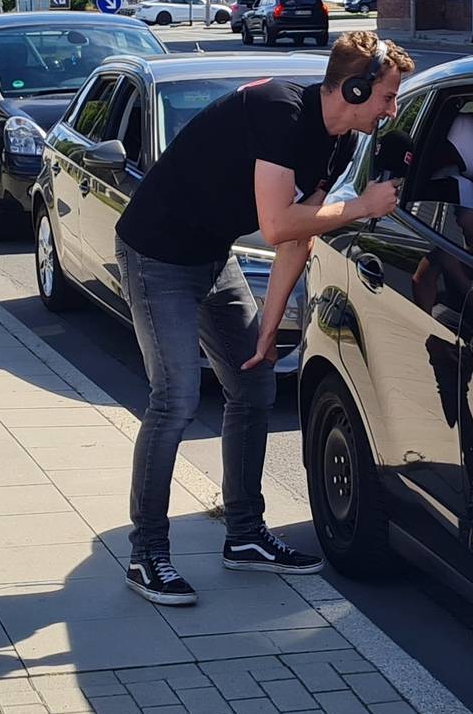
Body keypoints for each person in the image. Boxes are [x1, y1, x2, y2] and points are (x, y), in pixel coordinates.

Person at [108, 32, 414, 605]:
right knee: (174, 398)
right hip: (155, 256)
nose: (391, 110)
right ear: (353, 86)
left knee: (252, 383)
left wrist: (269, 330)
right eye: (387, 96)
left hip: (210, 256)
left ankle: (245, 536)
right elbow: (276, 225)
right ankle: (146, 553)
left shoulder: (338, 143)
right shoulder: (280, 111)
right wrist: (365, 206)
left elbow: (299, 236)